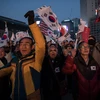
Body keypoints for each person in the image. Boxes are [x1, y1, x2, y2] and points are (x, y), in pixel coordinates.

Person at [0, 10, 45, 100]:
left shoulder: (35, 60)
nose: (24, 46)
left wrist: (32, 24)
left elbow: (41, 46)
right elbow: (3, 71)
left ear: (32, 47)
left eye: (27, 44)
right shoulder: (14, 61)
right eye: (21, 44)